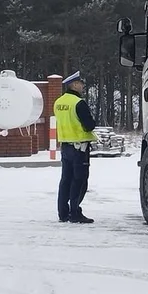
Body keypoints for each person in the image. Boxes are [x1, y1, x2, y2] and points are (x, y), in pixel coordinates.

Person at [54, 71, 96, 224]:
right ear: (74, 85)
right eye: (81, 83)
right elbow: (89, 125)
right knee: (79, 180)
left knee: (65, 179)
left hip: (65, 146)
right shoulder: (79, 103)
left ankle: (63, 213)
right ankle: (75, 212)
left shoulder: (58, 102)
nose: (83, 86)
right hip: (80, 148)